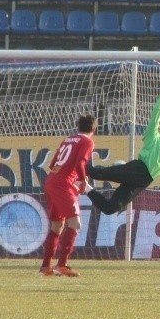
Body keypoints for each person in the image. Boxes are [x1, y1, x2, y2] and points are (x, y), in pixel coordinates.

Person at [86, 82, 160, 215]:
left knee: (110, 208)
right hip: (139, 169)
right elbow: (156, 116)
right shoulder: (152, 136)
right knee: (95, 173)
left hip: (144, 181)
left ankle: (85, 187)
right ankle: (79, 163)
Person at [39, 114, 97, 278]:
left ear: (77, 126)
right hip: (62, 184)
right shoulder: (87, 141)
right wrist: (82, 180)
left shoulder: (68, 139)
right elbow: (79, 163)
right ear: (94, 128)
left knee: (57, 226)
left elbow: (52, 164)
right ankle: (62, 265)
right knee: (75, 223)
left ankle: (45, 267)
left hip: (51, 181)